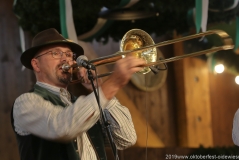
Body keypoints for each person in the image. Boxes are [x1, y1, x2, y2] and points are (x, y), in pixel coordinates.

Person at [11, 28, 146, 160]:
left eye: (69, 55)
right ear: (36, 65)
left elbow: (126, 139)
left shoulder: (83, 104)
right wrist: (113, 83)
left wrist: (98, 87)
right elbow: (61, 127)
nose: (65, 60)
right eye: (56, 53)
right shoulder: (25, 103)